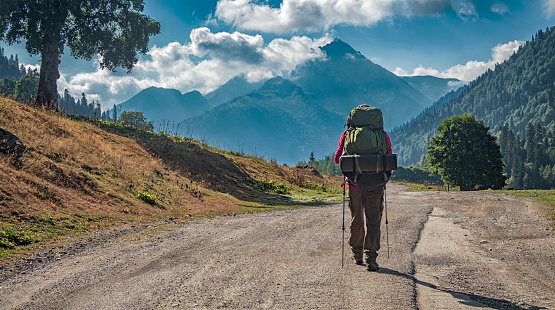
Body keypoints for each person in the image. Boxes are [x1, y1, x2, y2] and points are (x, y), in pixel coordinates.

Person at [334, 105, 392, 271]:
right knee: (374, 220)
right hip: (376, 184)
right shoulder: (382, 135)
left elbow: (338, 159)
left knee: (357, 219)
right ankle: (371, 258)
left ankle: (357, 254)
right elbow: (388, 157)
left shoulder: (347, 134)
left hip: (354, 184)